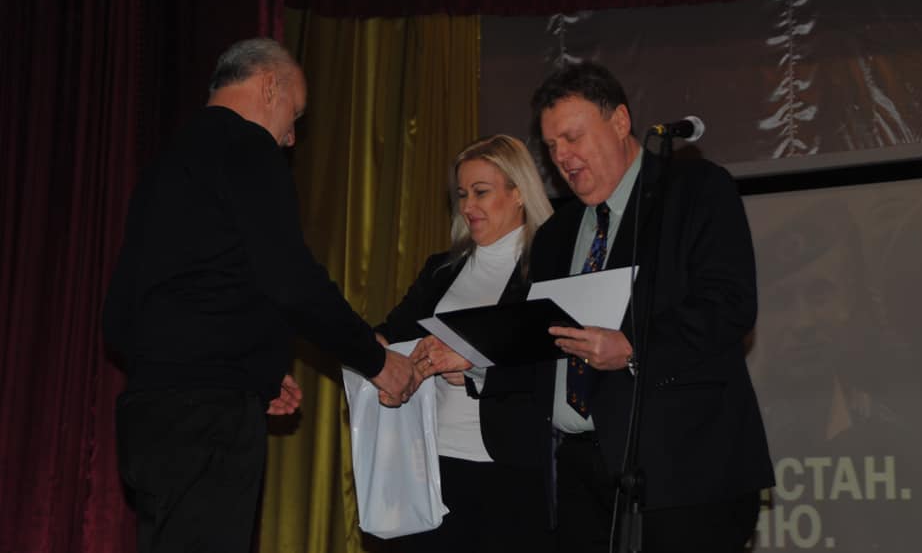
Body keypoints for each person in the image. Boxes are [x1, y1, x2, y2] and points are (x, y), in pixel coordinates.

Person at [426, 62, 774, 552]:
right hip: (581, 479)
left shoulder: (694, 190)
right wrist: (477, 364)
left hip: (686, 474)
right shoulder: (556, 234)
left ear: (620, 121)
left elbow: (729, 306)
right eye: (552, 146)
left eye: (573, 137)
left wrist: (632, 348)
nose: (561, 157)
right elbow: (539, 344)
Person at [102, 37, 416, 553]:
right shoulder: (247, 146)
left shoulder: (165, 165)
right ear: (270, 86)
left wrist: (250, 371)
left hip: (147, 415)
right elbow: (291, 281)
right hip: (209, 420)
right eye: (295, 114)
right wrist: (375, 360)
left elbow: (118, 316)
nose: (291, 138)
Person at [375, 134, 555, 552]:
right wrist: (362, 347)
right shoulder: (441, 269)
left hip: (510, 470)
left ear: (518, 193)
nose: (468, 205)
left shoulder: (549, 269)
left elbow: (551, 367)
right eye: (461, 194)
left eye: (481, 192)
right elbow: (393, 333)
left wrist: (473, 367)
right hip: (432, 465)